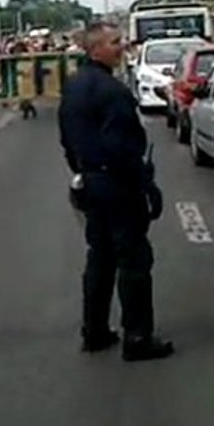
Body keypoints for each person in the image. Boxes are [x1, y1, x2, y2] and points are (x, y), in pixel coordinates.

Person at [57, 22, 173, 361]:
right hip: (118, 184)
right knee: (134, 259)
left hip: (90, 181)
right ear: (95, 50)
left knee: (100, 256)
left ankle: (94, 330)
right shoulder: (113, 91)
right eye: (114, 42)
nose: (122, 47)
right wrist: (146, 185)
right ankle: (137, 337)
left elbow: (66, 138)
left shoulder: (74, 86)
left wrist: (81, 170)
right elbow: (123, 147)